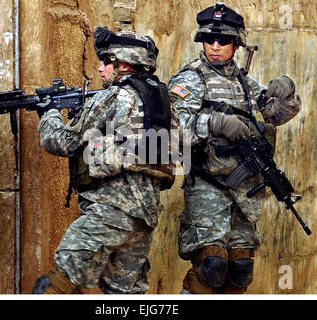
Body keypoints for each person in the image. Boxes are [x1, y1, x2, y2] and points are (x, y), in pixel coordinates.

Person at [168, 2, 301, 294]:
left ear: (237, 43)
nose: (215, 46)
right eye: (208, 39)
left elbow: (276, 117)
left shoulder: (245, 83)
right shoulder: (190, 79)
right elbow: (174, 130)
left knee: (240, 270)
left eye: (224, 40)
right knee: (211, 267)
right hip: (207, 186)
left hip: (246, 192)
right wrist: (215, 122)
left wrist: (286, 93)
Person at [31, 26, 176, 294]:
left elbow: (61, 142)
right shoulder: (162, 101)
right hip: (143, 217)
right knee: (126, 294)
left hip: (109, 212)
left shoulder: (113, 96)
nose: (99, 69)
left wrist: (49, 113)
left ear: (123, 63)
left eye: (106, 62)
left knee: (56, 285)